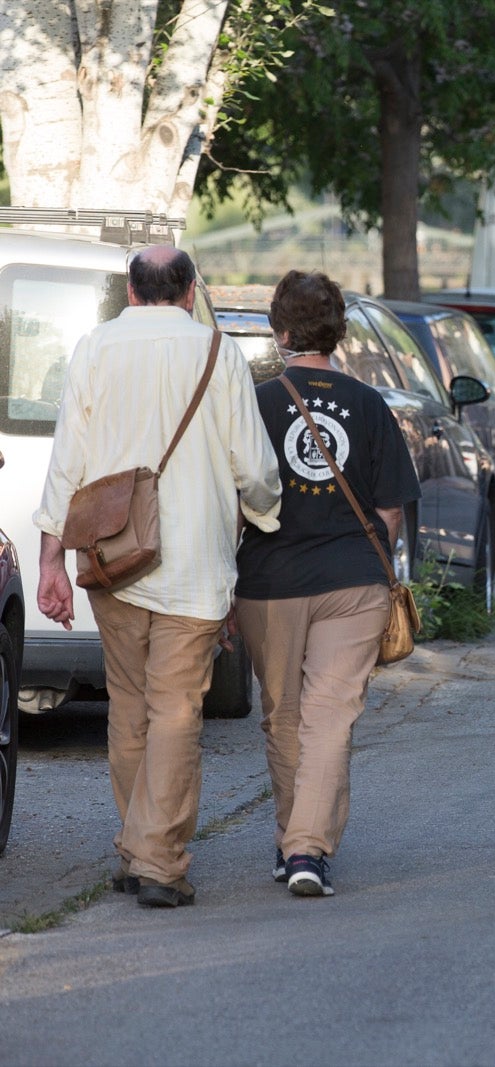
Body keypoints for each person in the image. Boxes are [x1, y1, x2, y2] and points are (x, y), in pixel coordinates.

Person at [33, 246, 281, 908]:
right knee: (177, 707)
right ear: (191, 288)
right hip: (195, 563)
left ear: (131, 292)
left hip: (112, 557)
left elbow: (68, 458)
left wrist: (50, 556)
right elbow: (252, 465)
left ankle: (137, 846)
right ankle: (159, 860)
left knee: (130, 705)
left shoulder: (93, 348)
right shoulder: (216, 352)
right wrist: (265, 511)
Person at [234, 270, 421, 898]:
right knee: (330, 719)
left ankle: (301, 846)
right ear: (338, 333)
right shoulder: (369, 405)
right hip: (353, 583)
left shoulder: (256, 403)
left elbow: (232, 502)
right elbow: (392, 510)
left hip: (269, 583)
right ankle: (304, 849)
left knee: (283, 718)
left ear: (279, 330)